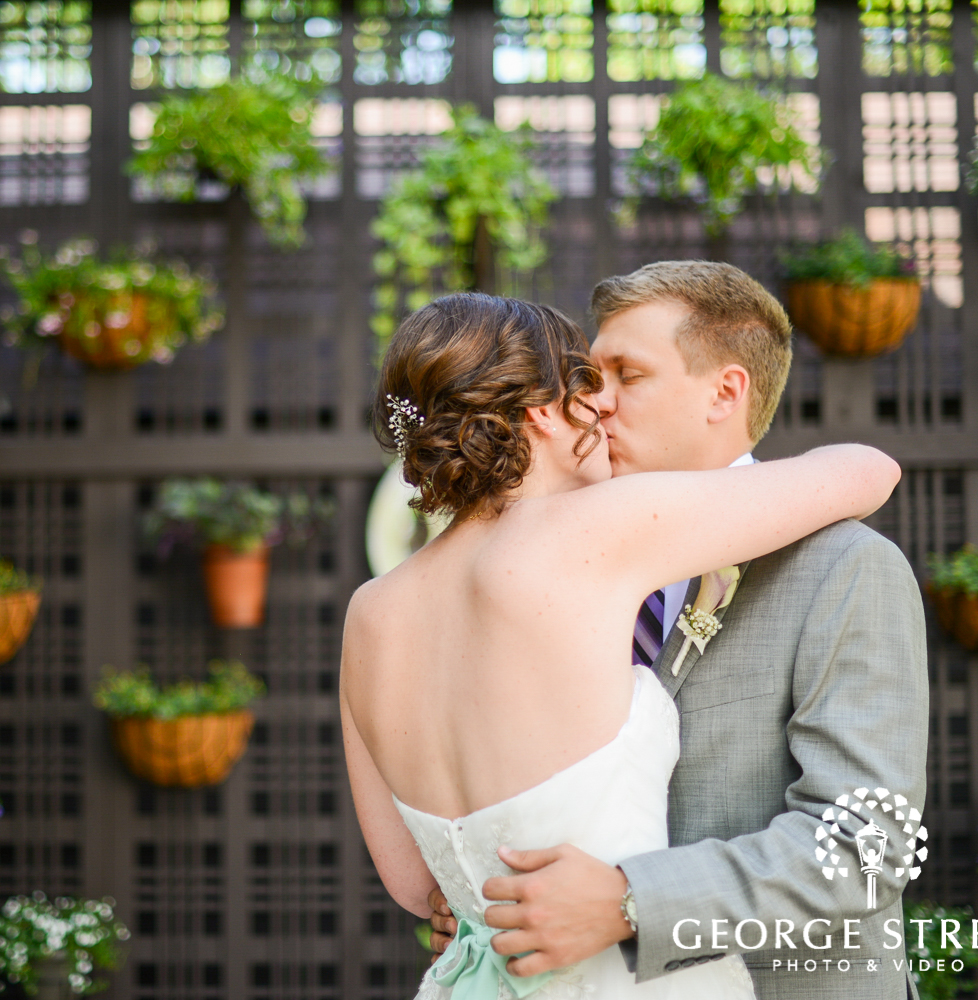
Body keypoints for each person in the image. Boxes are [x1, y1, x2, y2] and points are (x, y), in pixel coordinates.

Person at [341, 284, 910, 1000]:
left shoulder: (370, 614)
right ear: (541, 412)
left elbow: (415, 882)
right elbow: (868, 469)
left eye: (625, 377)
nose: (604, 405)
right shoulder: (596, 530)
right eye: (587, 383)